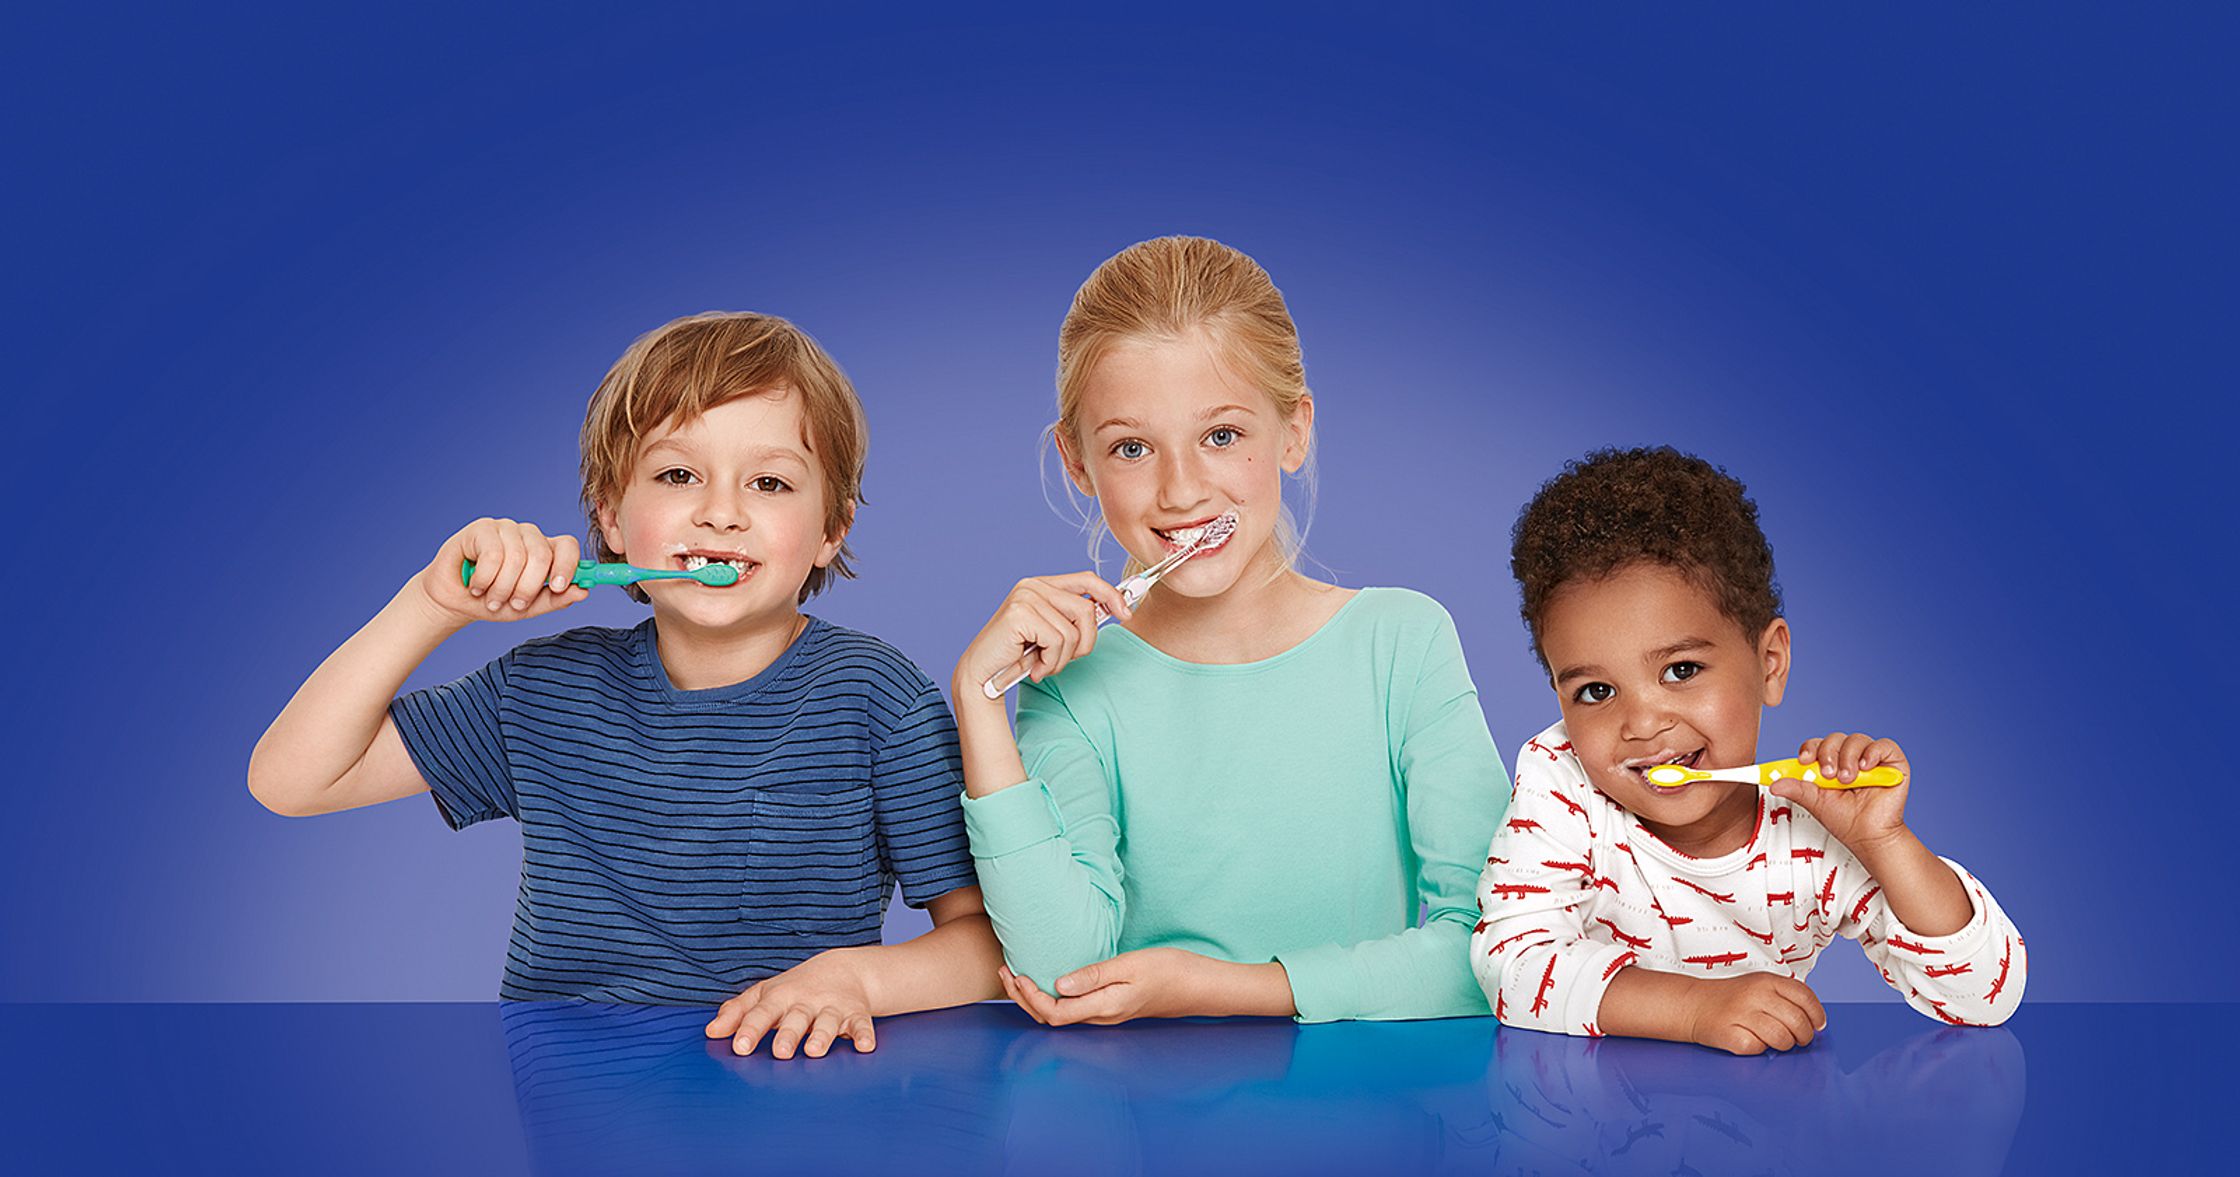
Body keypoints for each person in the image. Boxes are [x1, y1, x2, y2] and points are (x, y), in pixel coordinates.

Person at [248, 312, 1000, 1058]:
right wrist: (432, 606)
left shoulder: (879, 699)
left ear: (831, 529)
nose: (721, 512)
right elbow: (292, 779)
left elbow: (987, 946)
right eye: (678, 474)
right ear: (611, 515)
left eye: (769, 482)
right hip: (583, 1105)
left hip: (794, 1097)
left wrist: (855, 981)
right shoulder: (542, 689)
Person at [952, 236, 1509, 1024]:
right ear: (1077, 464)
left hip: (1362, 1121)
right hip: (1152, 1122)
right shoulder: (1072, 682)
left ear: (1293, 430)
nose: (1181, 489)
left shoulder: (1402, 644)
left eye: (1221, 435)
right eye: (1132, 447)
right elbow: (1060, 969)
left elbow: (1498, 950)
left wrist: (1219, 988)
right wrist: (978, 699)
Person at [1475, 446, 2025, 1052]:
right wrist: (1695, 1010)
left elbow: (1985, 996)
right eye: (1596, 691)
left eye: (1681, 670)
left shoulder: (1811, 833)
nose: (1641, 723)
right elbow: (1514, 965)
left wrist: (1883, 843)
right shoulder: (1565, 785)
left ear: (1769, 663)